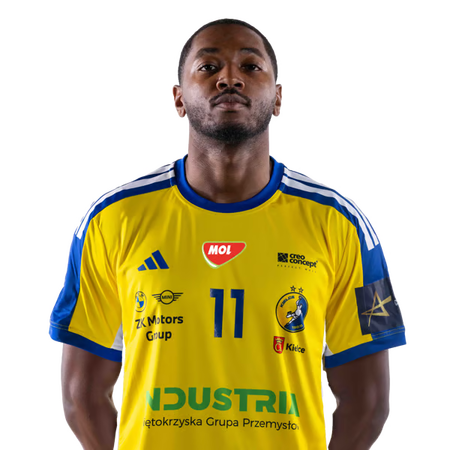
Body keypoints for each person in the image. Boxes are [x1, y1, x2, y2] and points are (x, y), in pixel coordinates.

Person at [48, 16, 408, 449]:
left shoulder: (342, 223)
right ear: (177, 99)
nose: (229, 79)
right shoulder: (112, 218)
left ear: (278, 98)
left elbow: (369, 400)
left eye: (251, 66)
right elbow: (79, 394)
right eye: (208, 67)